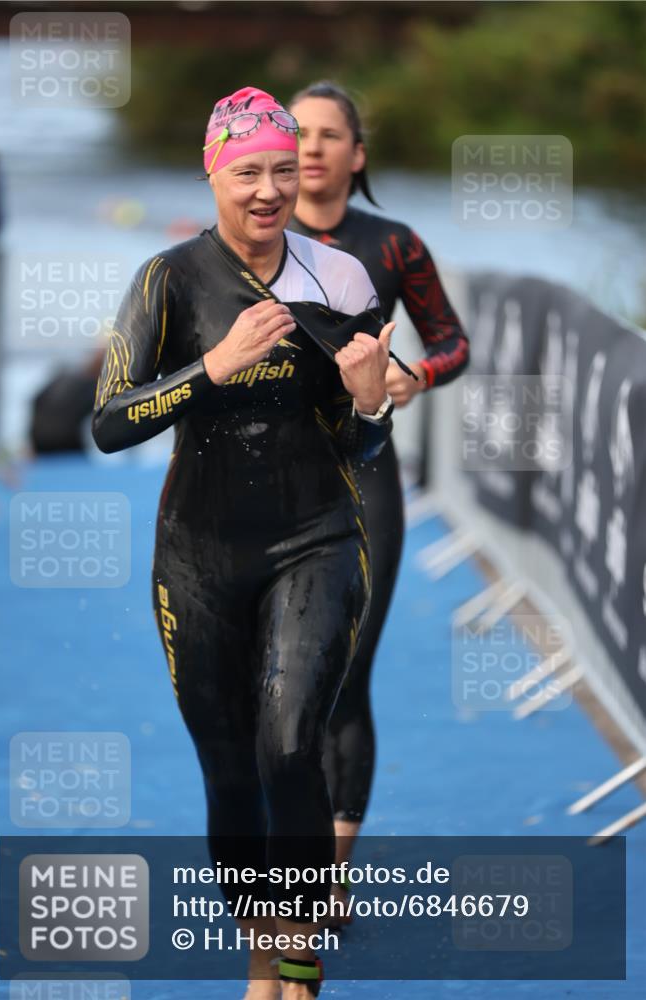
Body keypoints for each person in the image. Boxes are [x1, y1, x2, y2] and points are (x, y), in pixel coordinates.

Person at [92, 86, 396, 1000]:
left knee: (291, 744)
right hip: (198, 559)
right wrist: (211, 367)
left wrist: (370, 404)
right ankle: (262, 956)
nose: (268, 190)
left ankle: (295, 966)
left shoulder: (339, 279)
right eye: (247, 172)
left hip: (316, 539)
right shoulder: (167, 279)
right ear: (213, 172)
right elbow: (108, 422)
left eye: (283, 171)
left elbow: (358, 444)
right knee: (228, 771)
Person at [287, 82, 469, 905]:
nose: (311, 147)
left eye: (329, 135)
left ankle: (330, 875)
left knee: (346, 671)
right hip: (272, 476)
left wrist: (415, 375)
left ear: (355, 154)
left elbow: (451, 340)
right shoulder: (254, 241)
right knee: (276, 680)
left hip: (363, 471)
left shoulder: (392, 244)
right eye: (297, 132)